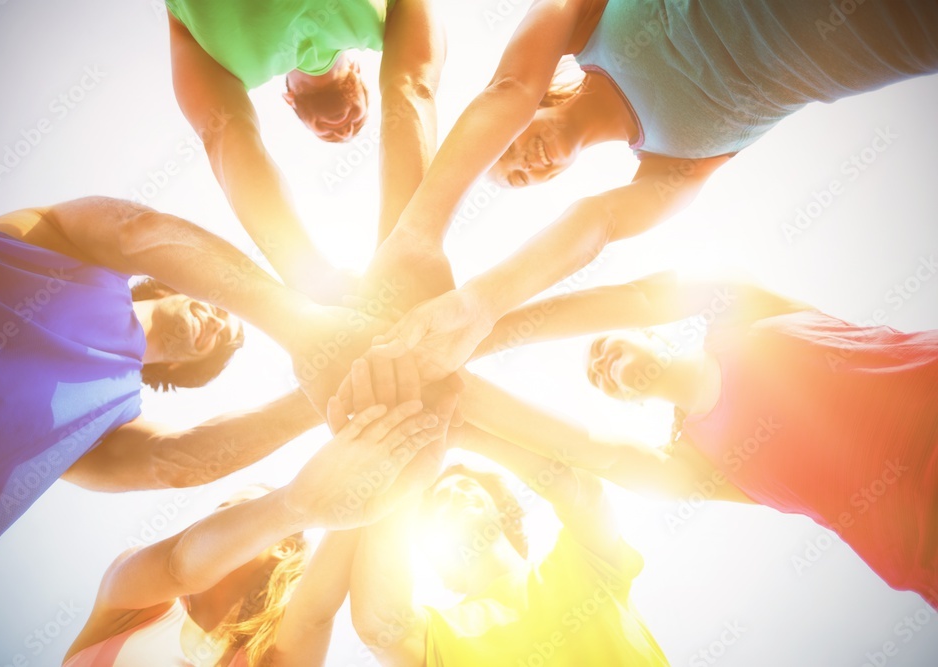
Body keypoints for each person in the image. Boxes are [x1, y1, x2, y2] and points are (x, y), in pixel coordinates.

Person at [364, 0, 938, 384]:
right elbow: (594, 224)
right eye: (517, 178)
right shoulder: (673, 168)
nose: (522, 162)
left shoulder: (587, 28)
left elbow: (509, 87)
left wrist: (417, 233)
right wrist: (477, 305)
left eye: (505, 147)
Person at [0, 196, 390, 587]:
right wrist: (306, 329)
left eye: (219, 338)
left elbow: (180, 461)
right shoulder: (67, 244)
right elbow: (140, 231)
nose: (217, 320)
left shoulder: (110, 420)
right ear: (178, 286)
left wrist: (339, 385)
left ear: (180, 367)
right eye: (220, 310)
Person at [462, 271, 938, 608]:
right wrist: (459, 397)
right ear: (627, 401)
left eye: (602, 347)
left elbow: (641, 295)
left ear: (653, 335)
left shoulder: (737, 316)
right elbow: (596, 451)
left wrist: (474, 334)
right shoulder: (693, 461)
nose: (599, 366)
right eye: (595, 377)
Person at [64, 366, 454, 666]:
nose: (221, 523)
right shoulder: (134, 607)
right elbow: (178, 564)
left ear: (284, 550)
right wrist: (293, 506)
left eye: (236, 508)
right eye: (224, 513)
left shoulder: (266, 655)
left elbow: (313, 615)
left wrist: (386, 473)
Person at [166, 0, 445, 301]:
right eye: (359, 120)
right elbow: (412, 88)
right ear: (358, 70)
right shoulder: (385, 18)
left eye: (328, 134)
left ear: (289, 100)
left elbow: (228, 141)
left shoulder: (212, 60)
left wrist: (315, 284)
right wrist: (400, 254)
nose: (345, 130)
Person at [350, 422, 669, 666]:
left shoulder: (578, 561)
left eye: (466, 485)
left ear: (501, 505)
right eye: (438, 501)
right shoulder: (439, 632)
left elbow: (586, 496)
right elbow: (378, 624)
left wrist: (463, 430)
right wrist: (407, 468)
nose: (456, 494)